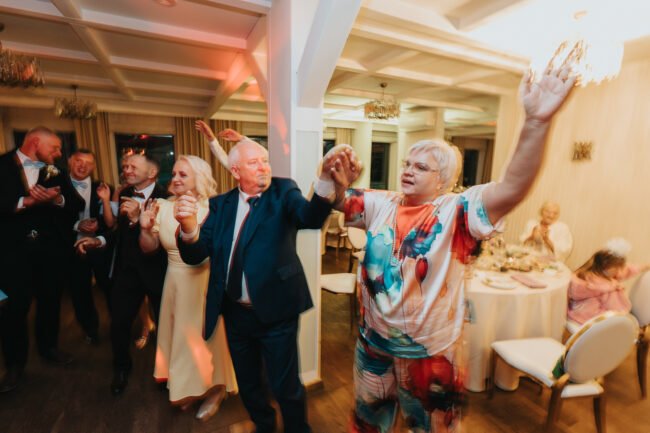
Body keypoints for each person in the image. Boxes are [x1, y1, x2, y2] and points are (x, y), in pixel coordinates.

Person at [326, 62, 578, 432]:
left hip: (430, 353)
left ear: (443, 180)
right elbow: (334, 199)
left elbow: (512, 188)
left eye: (421, 167)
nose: (408, 170)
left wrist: (536, 123)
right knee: (369, 423)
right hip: (373, 344)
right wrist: (332, 178)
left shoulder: (457, 210)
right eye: (407, 163)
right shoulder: (382, 202)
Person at [176, 133, 355, 433]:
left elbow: (310, 217)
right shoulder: (221, 205)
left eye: (266, 161)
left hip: (277, 312)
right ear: (235, 171)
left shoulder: (283, 192)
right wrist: (188, 228)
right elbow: (196, 255)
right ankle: (264, 426)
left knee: (285, 386)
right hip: (235, 314)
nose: (264, 167)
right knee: (249, 385)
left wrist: (325, 181)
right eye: (254, 163)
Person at [138, 155, 237, 420]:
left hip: (204, 283)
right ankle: (189, 388)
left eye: (183, 174)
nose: (176, 179)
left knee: (205, 340)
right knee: (180, 340)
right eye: (174, 174)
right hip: (174, 282)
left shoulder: (214, 208)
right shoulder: (162, 206)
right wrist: (145, 229)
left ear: (199, 178)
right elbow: (149, 249)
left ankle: (216, 390)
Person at [76, 153, 169, 395]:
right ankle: (121, 369)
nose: (126, 170)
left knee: (166, 326)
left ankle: (167, 372)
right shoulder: (126, 194)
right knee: (119, 323)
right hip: (127, 272)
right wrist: (98, 240)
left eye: (133, 166)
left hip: (158, 273)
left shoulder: (167, 199)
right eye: (125, 166)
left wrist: (139, 220)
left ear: (151, 173)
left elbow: (164, 240)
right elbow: (118, 233)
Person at [0, 126, 84, 392]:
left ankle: (49, 348)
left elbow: (77, 205)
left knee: (50, 303)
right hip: (12, 254)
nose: (59, 153)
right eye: (55, 148)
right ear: (35, 142)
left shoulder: (56, 171)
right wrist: (26, 202)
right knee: (13, 311)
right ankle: (15, 365)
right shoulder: (2, 165)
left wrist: (57, 199)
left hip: (50, 253)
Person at [67, 149, 112, 344]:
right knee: (80, 293)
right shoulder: (59, 187)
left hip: (99, 247)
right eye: (79, 161)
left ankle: (117, 326)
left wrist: (97, 225)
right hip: (72, 248)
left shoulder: (103, 187)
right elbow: (52, 220)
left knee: (109, 288)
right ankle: (90, 330)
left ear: (93, 167)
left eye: (88, 163)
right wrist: (77, 225)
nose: (82, 166)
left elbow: (110, 222)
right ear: (70, 161)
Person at [567, 239, 650, 325]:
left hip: (574, 316)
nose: (619, 271)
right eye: (617, 268)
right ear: (607, 266)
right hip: (592, 323)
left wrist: (645, 266)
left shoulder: (586, 274)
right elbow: (617, 311)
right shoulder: (607, 289)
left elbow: (626, 270)